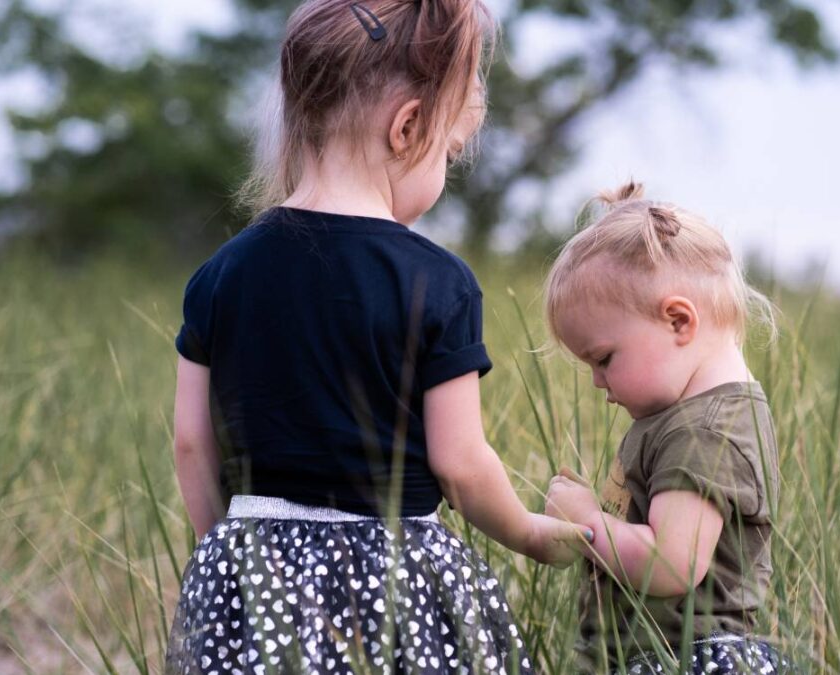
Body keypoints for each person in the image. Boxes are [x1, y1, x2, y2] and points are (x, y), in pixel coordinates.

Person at [164, 2, 588, 673]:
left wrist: (230, 554)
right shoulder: (440, 282)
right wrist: (530, 531)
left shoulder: (219, 274)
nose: (444, 174)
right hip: (397, 580)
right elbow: (460, 461)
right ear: (408, 127)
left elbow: (192, 441)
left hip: (250, 563)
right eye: (448, 152)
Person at [542, 182, 793, 674]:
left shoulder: (705, 431)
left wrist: (589, 522)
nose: (597, 381)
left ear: (679, 321)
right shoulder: (681, 416)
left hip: (689, 660)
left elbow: (673, 562)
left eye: (604, 358)